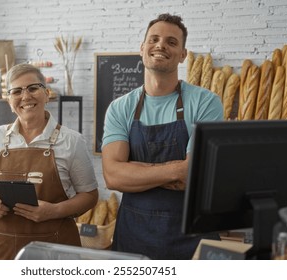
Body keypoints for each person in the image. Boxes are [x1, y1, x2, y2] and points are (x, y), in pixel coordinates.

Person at [101, 13, 223, 260]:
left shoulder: (206, 102)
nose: (160, 46)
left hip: (192, 235)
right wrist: (176, 169)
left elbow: (194, 174)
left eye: (171, 42)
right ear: (142, 48)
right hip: (133, 235)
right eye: (154, 39)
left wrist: (135, 170)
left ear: (182, 55)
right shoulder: (120, 107)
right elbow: (113, 176)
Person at [0, 63, 98, 260]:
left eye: (33, 88)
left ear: (46, 94)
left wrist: (54, 211)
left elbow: (89, 196)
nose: (25, 96)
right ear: (9, 101)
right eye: (17, 91)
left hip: (54, 252)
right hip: (0, 249)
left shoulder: (71, 140)